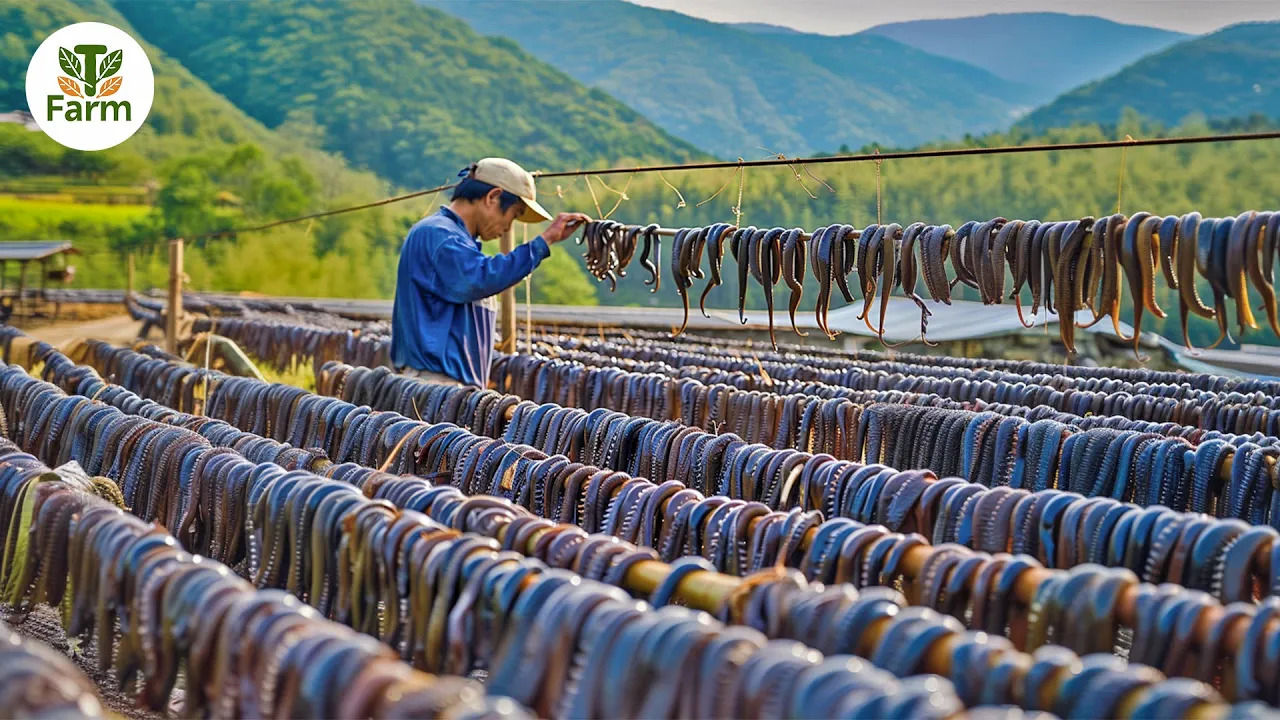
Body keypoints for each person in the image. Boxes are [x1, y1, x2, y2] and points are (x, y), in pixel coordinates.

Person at [391, 157, 590, 387]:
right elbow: (480, 278)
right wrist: (543, 243)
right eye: (513, 215)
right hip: (434, 385)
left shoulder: (454, 240)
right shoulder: (440, 235)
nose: (508, 227)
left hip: (449, 386)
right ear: (493, 197)